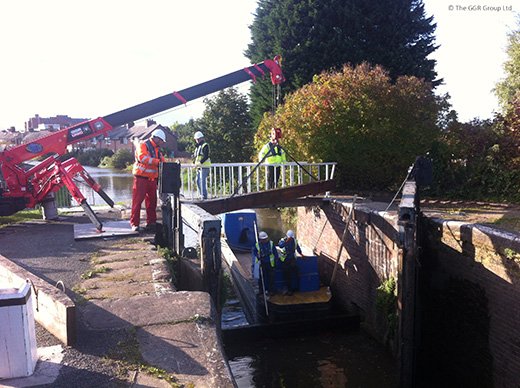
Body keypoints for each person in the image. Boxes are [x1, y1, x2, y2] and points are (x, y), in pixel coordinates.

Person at [130, 129, 166, 232]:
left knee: (152, 202)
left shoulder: (157, 150)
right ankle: (135, 224)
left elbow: (163, 162)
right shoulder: (143, 146)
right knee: (137, 202)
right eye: (161, 140)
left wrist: (165, 164)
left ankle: (151, 222)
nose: (162, 143)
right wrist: (158, 163)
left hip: (152, 180)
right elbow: (143, 158)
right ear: (156, 138)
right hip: (141, 178)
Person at [253, 231, 279, 295]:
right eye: (263, 239)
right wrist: (257, 256)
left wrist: (276, 261)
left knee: (271, 278)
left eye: (266, 239)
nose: (265, 240)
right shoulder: (258, 245)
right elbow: (255, 251)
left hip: (270, 264)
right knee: (262, 278)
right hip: (263, 263)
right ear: (261, 239)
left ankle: (271, 290)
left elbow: (275, 253)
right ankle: (261, 290)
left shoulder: (271, 244)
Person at [278, 229, 303, 295]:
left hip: (292, 258)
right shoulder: (283, 240)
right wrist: (286, 241)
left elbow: (298, 248)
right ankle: (289, 289)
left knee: (294, 267)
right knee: (287, 274)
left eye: (292, 238)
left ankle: (298, 277)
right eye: (290, 238)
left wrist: (301, 254)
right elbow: (280, 245)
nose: (291, 239)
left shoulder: (295, 241)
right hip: (285, 259)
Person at [193, 131, 211, 200]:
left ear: (202, 138)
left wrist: (200, 162)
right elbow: (197, 157)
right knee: (198, 180)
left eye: (198, 139)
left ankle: (204, 196)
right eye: (196, 139)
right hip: (199, 167)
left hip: (204, 166)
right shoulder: (198, 146)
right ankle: (201, 194)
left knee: (202, 181)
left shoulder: (205, 145)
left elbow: (206, 156)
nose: (197, 140)